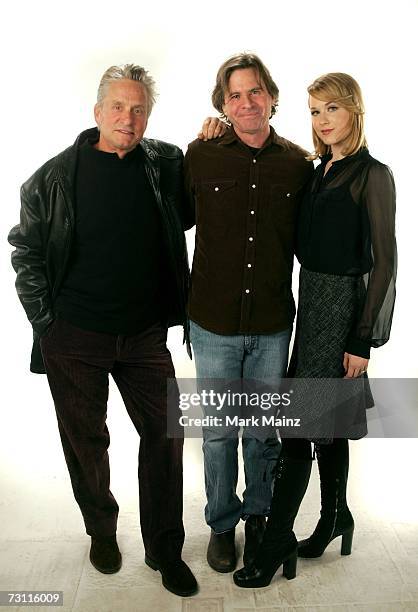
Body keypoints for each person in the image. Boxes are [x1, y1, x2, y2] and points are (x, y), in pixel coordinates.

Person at [8, 64, 198, 598]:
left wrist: (213, 135)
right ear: (97, 112)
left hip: (143, 337)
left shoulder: (164, 164)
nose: (128, 118)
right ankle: (102, 531)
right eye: (118, 106)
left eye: (138, 108)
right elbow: (24, 249)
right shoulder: (51, 178)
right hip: (75, 337)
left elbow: (192, 207)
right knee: (87, 445)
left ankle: (164, 550)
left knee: (165, 434)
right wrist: (46, 323)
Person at [232, 72, 397, 588]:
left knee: (299, 429)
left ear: (354, 111)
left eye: (331, 109)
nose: (322, 121)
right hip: (310, 300)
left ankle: (278, 536)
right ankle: (335, 516)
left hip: (342, 308)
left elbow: (385, 262)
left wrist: (361, 339)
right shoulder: (319, 169)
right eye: (313, 111)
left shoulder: (372, 174)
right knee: (325, 419)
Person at [184, 53, 314, 573]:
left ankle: (259, 516)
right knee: (218, 434)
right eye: (234, 95)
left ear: (272, 97)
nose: (246, 102)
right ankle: (221, 525)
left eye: (255, 91)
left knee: (262, 431)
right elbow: (171, 224)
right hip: (212, 321)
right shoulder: (201, 155)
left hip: (271, 323)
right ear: (223, 104)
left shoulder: (297, 165)